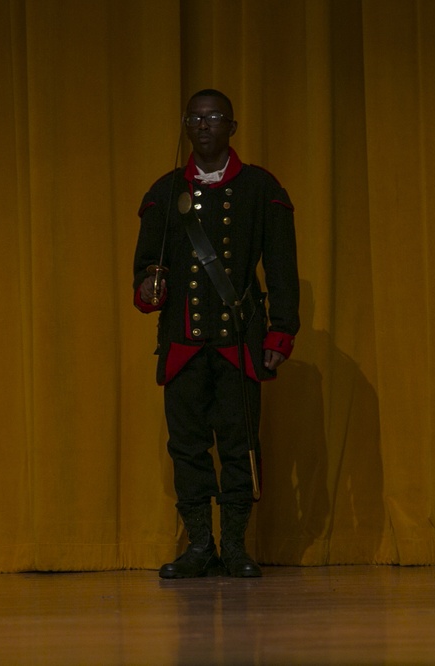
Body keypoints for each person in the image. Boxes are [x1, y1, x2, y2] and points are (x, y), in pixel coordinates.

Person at [132, 89, 300, 578]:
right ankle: (200, 548)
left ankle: (235, 547)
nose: (203, 125)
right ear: (187, 126)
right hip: (183, 342)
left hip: (238, 343)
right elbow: (146, 267)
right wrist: (149, 284)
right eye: (195, 118)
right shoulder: (165, 193)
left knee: (239, 446)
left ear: (232, 126)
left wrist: (280, 335)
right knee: (186, 448)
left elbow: (283, 271)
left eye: (213, 118)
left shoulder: (260, 189)